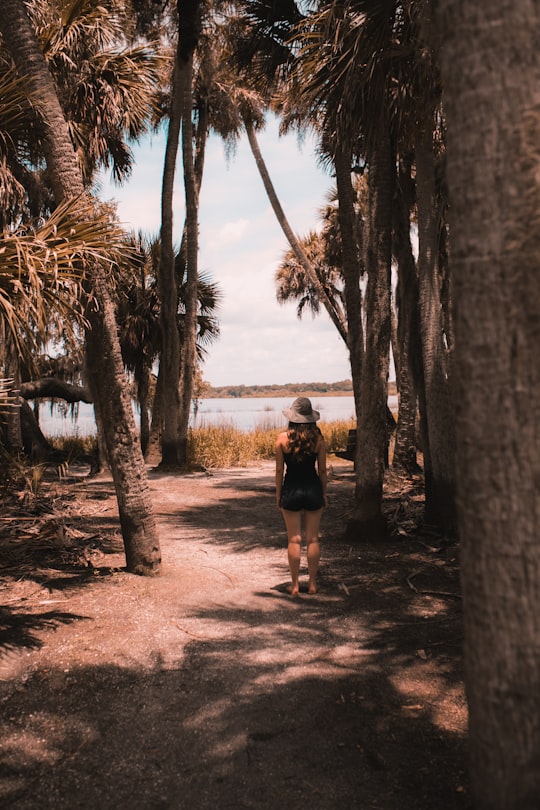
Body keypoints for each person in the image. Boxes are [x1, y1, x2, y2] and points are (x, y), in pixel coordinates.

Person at [275, 397, 328, 596]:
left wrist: (278, 495)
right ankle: (312, 584)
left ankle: (295, 585)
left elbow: (279, 471)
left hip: (291, 489)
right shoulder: (318, 439)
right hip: (313, 488)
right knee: (313, 539)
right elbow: (322, 471)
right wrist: (324, 493)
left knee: (294, 540)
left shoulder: (281, 439)